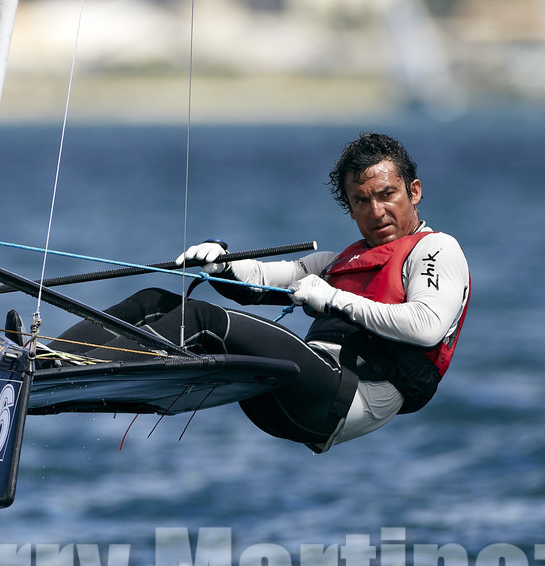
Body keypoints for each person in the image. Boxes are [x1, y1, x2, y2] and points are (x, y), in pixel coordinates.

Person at [52, 132, 469, 452]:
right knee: (155, 301)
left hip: (345, 397)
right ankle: (45, 360)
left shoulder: (436, 249)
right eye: (361, 200)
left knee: (202, 320)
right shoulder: (336, 263)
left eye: (386, 195)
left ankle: (67, 376)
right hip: (298, 388)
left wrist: (335, 299)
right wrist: (222, 265)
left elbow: (427, 327)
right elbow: (264, 280)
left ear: (413, 191)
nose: (376, 211)